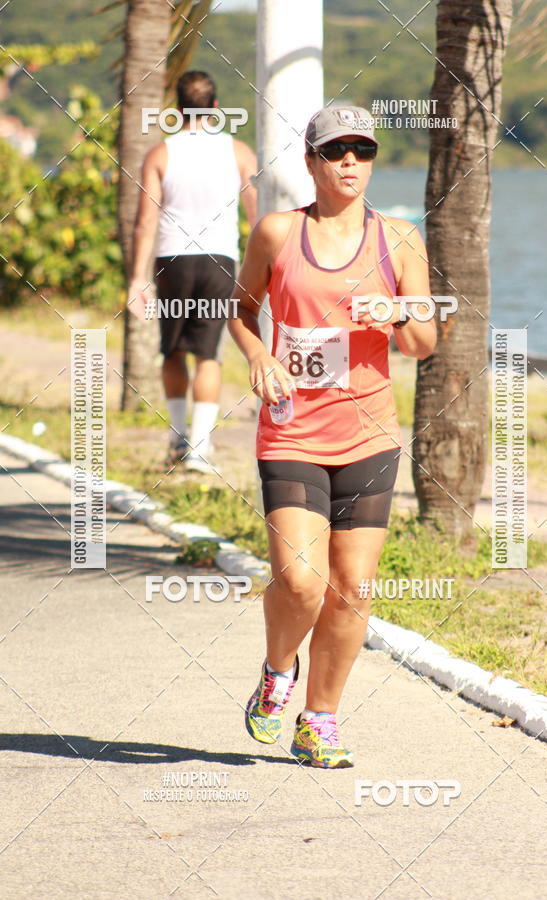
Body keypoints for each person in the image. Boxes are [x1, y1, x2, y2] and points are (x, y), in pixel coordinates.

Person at [228, 105, 437, 768]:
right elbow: (241, 309)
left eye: (363, 151)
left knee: (352, 587)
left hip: (369, 435)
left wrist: (400, 312)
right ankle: (276, 670)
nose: (351, 161)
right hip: (292, 431)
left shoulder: (399, 240)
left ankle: (319, 719)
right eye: (337, 150)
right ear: (313, 162)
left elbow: (425, 343)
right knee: (300, 581)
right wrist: (259, 356)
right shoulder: (276, 233)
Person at [128, 70, 257, 472]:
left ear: (177, 110)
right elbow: (258, 219)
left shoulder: (160, 154)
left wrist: (136, 279)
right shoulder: (239, 153)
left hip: (173, 260)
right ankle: (201, 448)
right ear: (217, 108)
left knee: (173, 349)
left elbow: (145, 223)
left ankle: (177, 438)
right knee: (208, 354)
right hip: (221, 260)